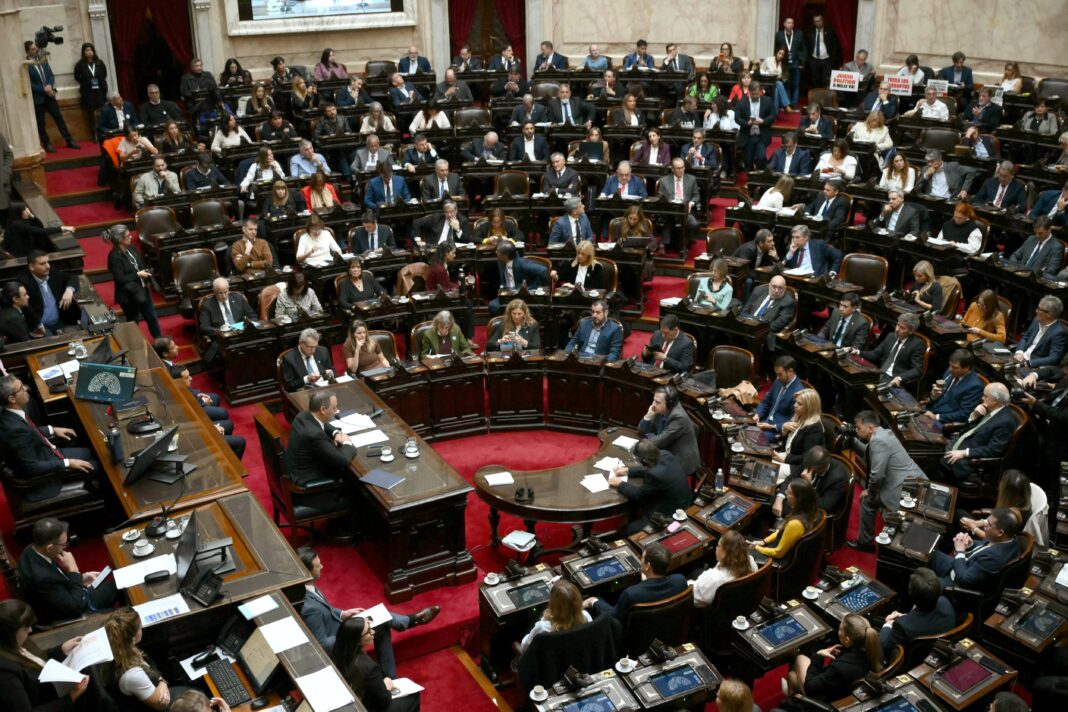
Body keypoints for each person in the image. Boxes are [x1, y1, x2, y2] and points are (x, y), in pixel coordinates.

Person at [299, 546, 437, 662]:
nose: (322, 567)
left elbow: (326, 609)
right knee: (380, 621)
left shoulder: (308, 586)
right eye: (318, 566)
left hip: (341, 627)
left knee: (380, 619)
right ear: (307, 572)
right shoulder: (310, 609)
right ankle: (413, 620)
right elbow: (322, 645)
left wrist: (342, 613)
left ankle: (391, 675)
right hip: (340, 642)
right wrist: (350, 632)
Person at [847, 410, 926, 551]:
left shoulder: (878, 441)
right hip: (914, 480)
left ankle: (865, 543)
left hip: (903, 488)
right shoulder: (883, 433)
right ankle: (865, 542)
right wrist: (852, 440)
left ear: (870, 428)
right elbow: (868, 453)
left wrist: (869, 491)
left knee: (868, 501)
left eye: (859, 428)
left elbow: (877, 476)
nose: (857, 431)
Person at [0, 599, 93, 712]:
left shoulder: (17, 641)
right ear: (10, 633)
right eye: (25, 628)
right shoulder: (5, 673)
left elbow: (35, 659)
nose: (30, 630)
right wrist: (71, 697)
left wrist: (61, 649)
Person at [16, 517, 116, 623]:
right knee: (127, 613)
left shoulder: (31, 549)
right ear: (49, 547)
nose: (65, 547)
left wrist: (81, 579)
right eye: (63, 544)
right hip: (73, 614)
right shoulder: (42, 578)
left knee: (118, 584)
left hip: (68, 594)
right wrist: (74, 571)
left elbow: (58, 581)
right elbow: (76, 607)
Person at [331, 616, 419, 712]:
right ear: (357, 640)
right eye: (368, 631)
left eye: (370, 627)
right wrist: (386, 686)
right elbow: (384, 700)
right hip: (366, 707)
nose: (373, 632)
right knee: (414, 696)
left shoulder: (337, 651)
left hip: (352, 695)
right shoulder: (369, 668)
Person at [787, 614, 881, 701]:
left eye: (840, 629)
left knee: (800, 659)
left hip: (831, 699)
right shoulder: (874, 646)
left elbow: (809, 688)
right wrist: (842, 653)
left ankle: (794, 705)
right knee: (792, 676)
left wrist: (819, 656)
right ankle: (792, 703)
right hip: (845, 689)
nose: (838, 632)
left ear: (848, 639)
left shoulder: (839, 668)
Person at [583, 543, 687, 620]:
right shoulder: (680, 580)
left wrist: (593, 601)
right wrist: (646, 579)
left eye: (642, 558)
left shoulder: (631, 594)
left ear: (648, 566)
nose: (640, 560)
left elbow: (613, 617)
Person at [609, 439, 690, 535]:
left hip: (670, 513)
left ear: (644, 460)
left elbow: (638, 495)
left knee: (629, 529)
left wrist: (619, 483)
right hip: (684, 502)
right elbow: (651, 469)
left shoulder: (655, 475)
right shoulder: (665, 454)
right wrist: (628, 470)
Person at [930, 508, 1022, 590]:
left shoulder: (993, 558)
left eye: (988, 524)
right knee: (927, 553)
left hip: (956, 585)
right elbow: (985, 545)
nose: (984, 525)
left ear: (1000, 532)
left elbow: (964, 580)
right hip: (962, 565)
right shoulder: (1009, 539)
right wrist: (970, 543)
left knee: (922, 579)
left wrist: (960, 551)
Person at [943, 383, 1016, 483]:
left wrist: (965, 453)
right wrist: (974, 416)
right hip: (963, 442)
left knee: (939, 460)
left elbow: (993, 450)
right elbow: (965, 431)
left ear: (995, 400)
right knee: (935, 450)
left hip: (973, 460)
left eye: (985, 396)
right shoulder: (988, 408)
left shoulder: (1005, 421)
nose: (982, 398)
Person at [101, 608, 173, 710]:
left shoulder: (119, 647)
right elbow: (160, 705)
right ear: (133, 638)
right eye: (140, 627)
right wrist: (163, 683)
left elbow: (147, 660)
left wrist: (160, 679)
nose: (142, 627)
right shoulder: (132, 675)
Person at [878, 567, 956, 660]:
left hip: (912, 661)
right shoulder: (945, 603)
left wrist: (888, 624)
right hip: (937, 652)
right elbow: (924, 620)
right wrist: (907, 617)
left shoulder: (902, 626)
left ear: (911, 594)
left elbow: (884, 646)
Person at [286, 389, 354, 486]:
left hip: (296, 470)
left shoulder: (303, 416)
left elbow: (323, 424)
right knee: (351, 477)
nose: (337, 411)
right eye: (334, 408)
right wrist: (347, 442)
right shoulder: (314, 435)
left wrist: (336, 433)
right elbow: (342, 461)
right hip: (309, 477)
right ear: (323, 409)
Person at [105, 224, 160, 337]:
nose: (131, 236)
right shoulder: (114, 257)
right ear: (120, 240)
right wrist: (137, 274)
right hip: (128, 295)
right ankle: (134, 346)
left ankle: (160, 342)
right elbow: (120, 279)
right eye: (127, 235)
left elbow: (140, 265)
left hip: (142, 289)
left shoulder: (132, 248)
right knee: (133, 323)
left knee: (152, 318)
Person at [25, 40, 77, 152]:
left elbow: (50, 75)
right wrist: (44, 89)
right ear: (27, 51)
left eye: (36, 48)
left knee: (59, 118)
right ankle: (47, 143)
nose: (36, 51)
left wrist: (49, 84)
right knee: (40, 123)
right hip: (38, 98)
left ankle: (69, 140)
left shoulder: (43, 60)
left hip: (49, 96)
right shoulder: (25, 64)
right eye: (33, 49)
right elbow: (28, 84)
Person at [637, 385, 700, 476]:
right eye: (654, 400)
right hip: (666, 450)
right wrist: (648, 416)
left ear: (669, 404)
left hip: (680, 461)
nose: (653, 404)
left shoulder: (678, 418)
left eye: (657, 402)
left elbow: (659, 442)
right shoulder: (661, 410)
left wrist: (648, 437)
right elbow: (642, 431)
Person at [773, 445, 850, 518]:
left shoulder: (838, 478)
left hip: (815, 509)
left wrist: (809, 485)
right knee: (772, 497)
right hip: (800, 498)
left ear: (824, 467)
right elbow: (791, 478)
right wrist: (779, 499)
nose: (808, 470)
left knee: (778, 504)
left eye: (812, 469)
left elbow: (824, 506)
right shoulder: (809, 462)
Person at [752, 478, 820, 558]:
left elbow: (778, 553)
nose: (785, 493)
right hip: (778, 548)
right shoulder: (806, 511)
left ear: (799, 499)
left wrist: (757, 548)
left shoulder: (795, 524)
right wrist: (764, 541)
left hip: (778, 560)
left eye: (790, 493)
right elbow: (782, 531)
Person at [855, 312, 925, 389]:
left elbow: (917, 370)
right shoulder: (891, 336)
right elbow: (875, 354)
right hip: (879, 372)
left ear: (911, 331)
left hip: (893, 378)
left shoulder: (917, 344)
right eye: (897, 325)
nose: (897, 329)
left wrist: (900, 378)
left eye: (902, 328)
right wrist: (857, 352)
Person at [958, 471, 1035, 540]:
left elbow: (992, 539)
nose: (999, 488)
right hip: (991, 529)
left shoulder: (1012, 517)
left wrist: (973, 527)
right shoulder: (1023, 501)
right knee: (960, 516)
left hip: (990, 543)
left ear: (1009, 494)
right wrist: (976, 523)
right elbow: (995, 521)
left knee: (958, 515)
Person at [520, 579, 590, 654]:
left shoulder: (542, 628)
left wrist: (528, 636)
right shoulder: (586, 617)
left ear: (553, 604)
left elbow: (524, 649)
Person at [19, 250, 80, 334]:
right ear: (31, 267)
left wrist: (69, 290)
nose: (48, 266)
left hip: (60, 321)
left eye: (48, 262)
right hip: (40, 327)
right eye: (42, 264)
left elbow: (72, 277)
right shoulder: (23, 283)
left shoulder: (51, 272)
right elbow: (26, 309)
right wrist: (39, 326)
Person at [691, 531, 757, 607]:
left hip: (704, 609)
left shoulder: (714, 578)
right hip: (737, 605)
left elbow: (694, 599)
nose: (716, 548)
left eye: (718, 546)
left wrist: (688, 583)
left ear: (725, 553)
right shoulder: (751, 562)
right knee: (696, 572)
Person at [197, 278, 256, 362]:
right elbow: (204, 327)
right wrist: (219, 331)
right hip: (223, 339)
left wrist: (248, 325)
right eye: (220, 293)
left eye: (225, 292)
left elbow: (252, 316)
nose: (224, 295)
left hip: (241, 333)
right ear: (214, 292)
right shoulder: (207, 305)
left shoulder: (238, 298)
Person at [771, 388, 824, 478]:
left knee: (766, 469)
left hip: (797, 467)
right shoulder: (798, 417)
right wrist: (784, 429)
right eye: (795, 402)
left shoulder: (815, 429)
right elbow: (788, 443)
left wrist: (785, 459)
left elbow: (807, 458)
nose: (795, 405)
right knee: (761, 460)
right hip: (787, 455)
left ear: (809, 407)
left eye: (799, 404)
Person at [924, 349, 984, 425]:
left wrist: (937, 417)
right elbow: (940, 395)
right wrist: (933, 396)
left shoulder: (975, 386)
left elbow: (964, 414)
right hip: (930, 409)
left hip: (945, 421)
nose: (950, 369)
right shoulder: (950, 372)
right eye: (950, 365)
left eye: (955, 367)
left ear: (966, 368)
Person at [491, 241, 550, 314]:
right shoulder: (501, 260)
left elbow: (543, 271)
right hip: (507, 294)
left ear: (505, 255)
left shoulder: (523, 264)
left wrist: (545, 293)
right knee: (493, 306)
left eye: (498, 251)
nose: (496, 252)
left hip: (521, 295)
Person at [658, 158, 701, 250]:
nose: (680, 170)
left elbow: (696, 196)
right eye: (678, 168)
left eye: (682, 168)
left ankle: (685, 240)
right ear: (672, 169)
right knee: (669, 217)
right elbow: (661, 198)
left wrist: (691, 203)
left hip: (685, 211)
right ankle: (665, 243)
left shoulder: (691, 179)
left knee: (695, 224)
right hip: (670, 211)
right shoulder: (664, 181)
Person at [754, 356, 804, 433]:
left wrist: (772, 427)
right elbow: (766, 401)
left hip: (776, 430)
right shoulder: (778, 382)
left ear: (790, 371)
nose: (777, 378)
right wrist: (758, 414)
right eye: (776, 374)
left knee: (752, 440)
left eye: (780, 374)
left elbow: (792, 422)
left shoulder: (798, 393)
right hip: (764, 421)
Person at [3, 204, 73, 258]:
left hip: (25, 252)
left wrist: (32, 216)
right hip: (20, 257)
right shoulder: (17, 225)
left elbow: (39, 225)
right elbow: (40, 231)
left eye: (27, 208)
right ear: (19, 212)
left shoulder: (19, 221)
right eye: (25, 210)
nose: (28, 211)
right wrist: (61, 228)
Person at [1014, 296, 1067, 368]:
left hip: (1034, 367)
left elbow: (1054, 358)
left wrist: (1030, 363)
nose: (1036, 311)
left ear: (1049, 314)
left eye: (1039, 309)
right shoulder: (1036, 320)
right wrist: (1019, 352)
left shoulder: (1059, 332)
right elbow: (1025, 337)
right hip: (1020, 358)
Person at [735, 79, 775, 170]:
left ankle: (759, 178)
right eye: (753, 94)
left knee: (761, 158)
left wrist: (763, 121)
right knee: (748, 161)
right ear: (749, 92)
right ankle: (750, 181)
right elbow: (737, 118)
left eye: (757, 94)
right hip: (747, 136)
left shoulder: (768, 101)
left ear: (760, 91)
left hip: (762, 135)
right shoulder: (741, 102)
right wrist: (746, 123)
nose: (755, 96)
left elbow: (773, 116)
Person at [73, 42, 108, 137]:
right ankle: (94, 134)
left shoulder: (99, 63)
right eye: (87, 50)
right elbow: (77, 77)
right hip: (88, 92)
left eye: (91, 50)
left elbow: (104, 74)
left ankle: (103, 132)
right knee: (91, 114)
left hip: (100, 91)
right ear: (84, 52)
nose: (89, 52)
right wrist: (85, 82)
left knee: (102, 112)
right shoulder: (80, 65)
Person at [774, 16, 806, 109]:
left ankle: (794, 104)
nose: (790, 24)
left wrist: (802, 62)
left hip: (795, 63)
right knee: (786, 83)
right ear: (784, 24)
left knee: (796, 84)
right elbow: (776, 49)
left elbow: (803, 48)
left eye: (792, 23)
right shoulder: (779, 35)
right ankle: (786, 104)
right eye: (788, 22)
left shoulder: (799, 34)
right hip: (784, 64)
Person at [760, 47, 792, 115]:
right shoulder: (769, 60)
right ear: (776, 53)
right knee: (778, 84)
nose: (780, 56)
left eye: (783, 54)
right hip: (767, 84)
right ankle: (786, 105)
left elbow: (786, 77)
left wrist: (781, 76)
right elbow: (761, 71)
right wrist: (769, 74)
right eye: (779, 53)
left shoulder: (783, 64)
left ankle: (775, 114)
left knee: (777, 87)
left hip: (776, 84)